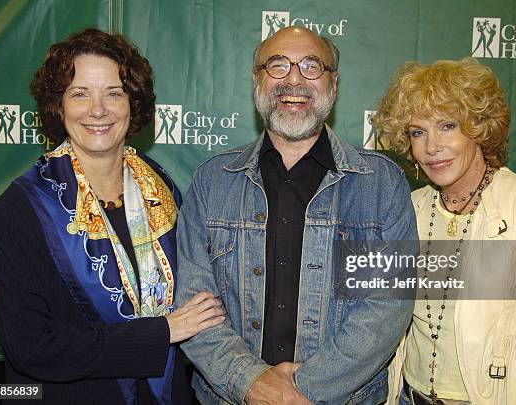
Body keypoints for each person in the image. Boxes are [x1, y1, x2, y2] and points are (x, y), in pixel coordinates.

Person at [175, 26, 417, 405]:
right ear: (256, 80)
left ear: (333, 85)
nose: (293, 79)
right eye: (277, 65)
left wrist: (299, 392)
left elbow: (386, 307)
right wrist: (250, 383)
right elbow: (193, 303)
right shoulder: (212, 182)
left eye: (311, 66)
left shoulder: (381, 183)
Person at [0, 28, 224, 405]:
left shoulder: (160, 187)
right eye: (79, 93)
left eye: (114, 93)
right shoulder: (20, 208)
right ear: (58, 106)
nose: (98, 110)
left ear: (133, 104)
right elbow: (31, 347)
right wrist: (160, 332)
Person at [374, 57, 516, 405]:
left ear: (479, 128)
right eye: (417, 132)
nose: (431, 147)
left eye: (447, 126)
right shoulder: (410, 207)